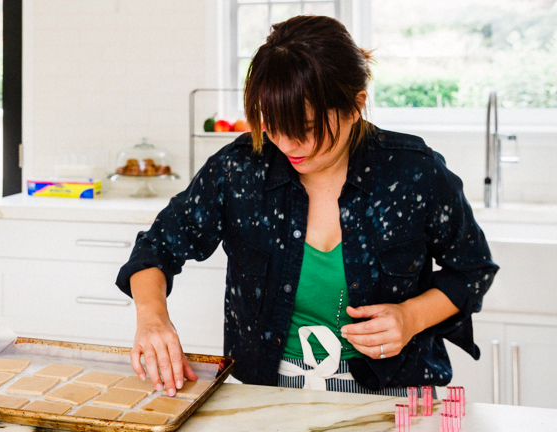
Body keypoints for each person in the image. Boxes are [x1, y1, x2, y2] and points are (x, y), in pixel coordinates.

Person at [116, 15, 498, 397]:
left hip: (396, 387)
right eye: (272, 123)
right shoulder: (239, 170)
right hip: (267, 388)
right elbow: (156, 248)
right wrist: (152, 319)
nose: (286, 144)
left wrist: (411, 317)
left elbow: (472, 270)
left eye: (306, 129)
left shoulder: (414, 171)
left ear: (355, 106)